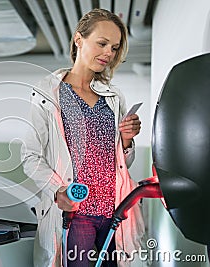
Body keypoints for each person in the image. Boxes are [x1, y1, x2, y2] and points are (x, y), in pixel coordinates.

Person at [21, 8, 145, 267]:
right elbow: (30, 156)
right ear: (79, 40)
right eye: (102, 44)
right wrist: (58, 191)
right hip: (77, 215)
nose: (108, 54)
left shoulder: (112, 96)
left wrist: (126, 140)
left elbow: (123, 163)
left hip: (114, 212)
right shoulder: (48, 94)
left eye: (114, 47)